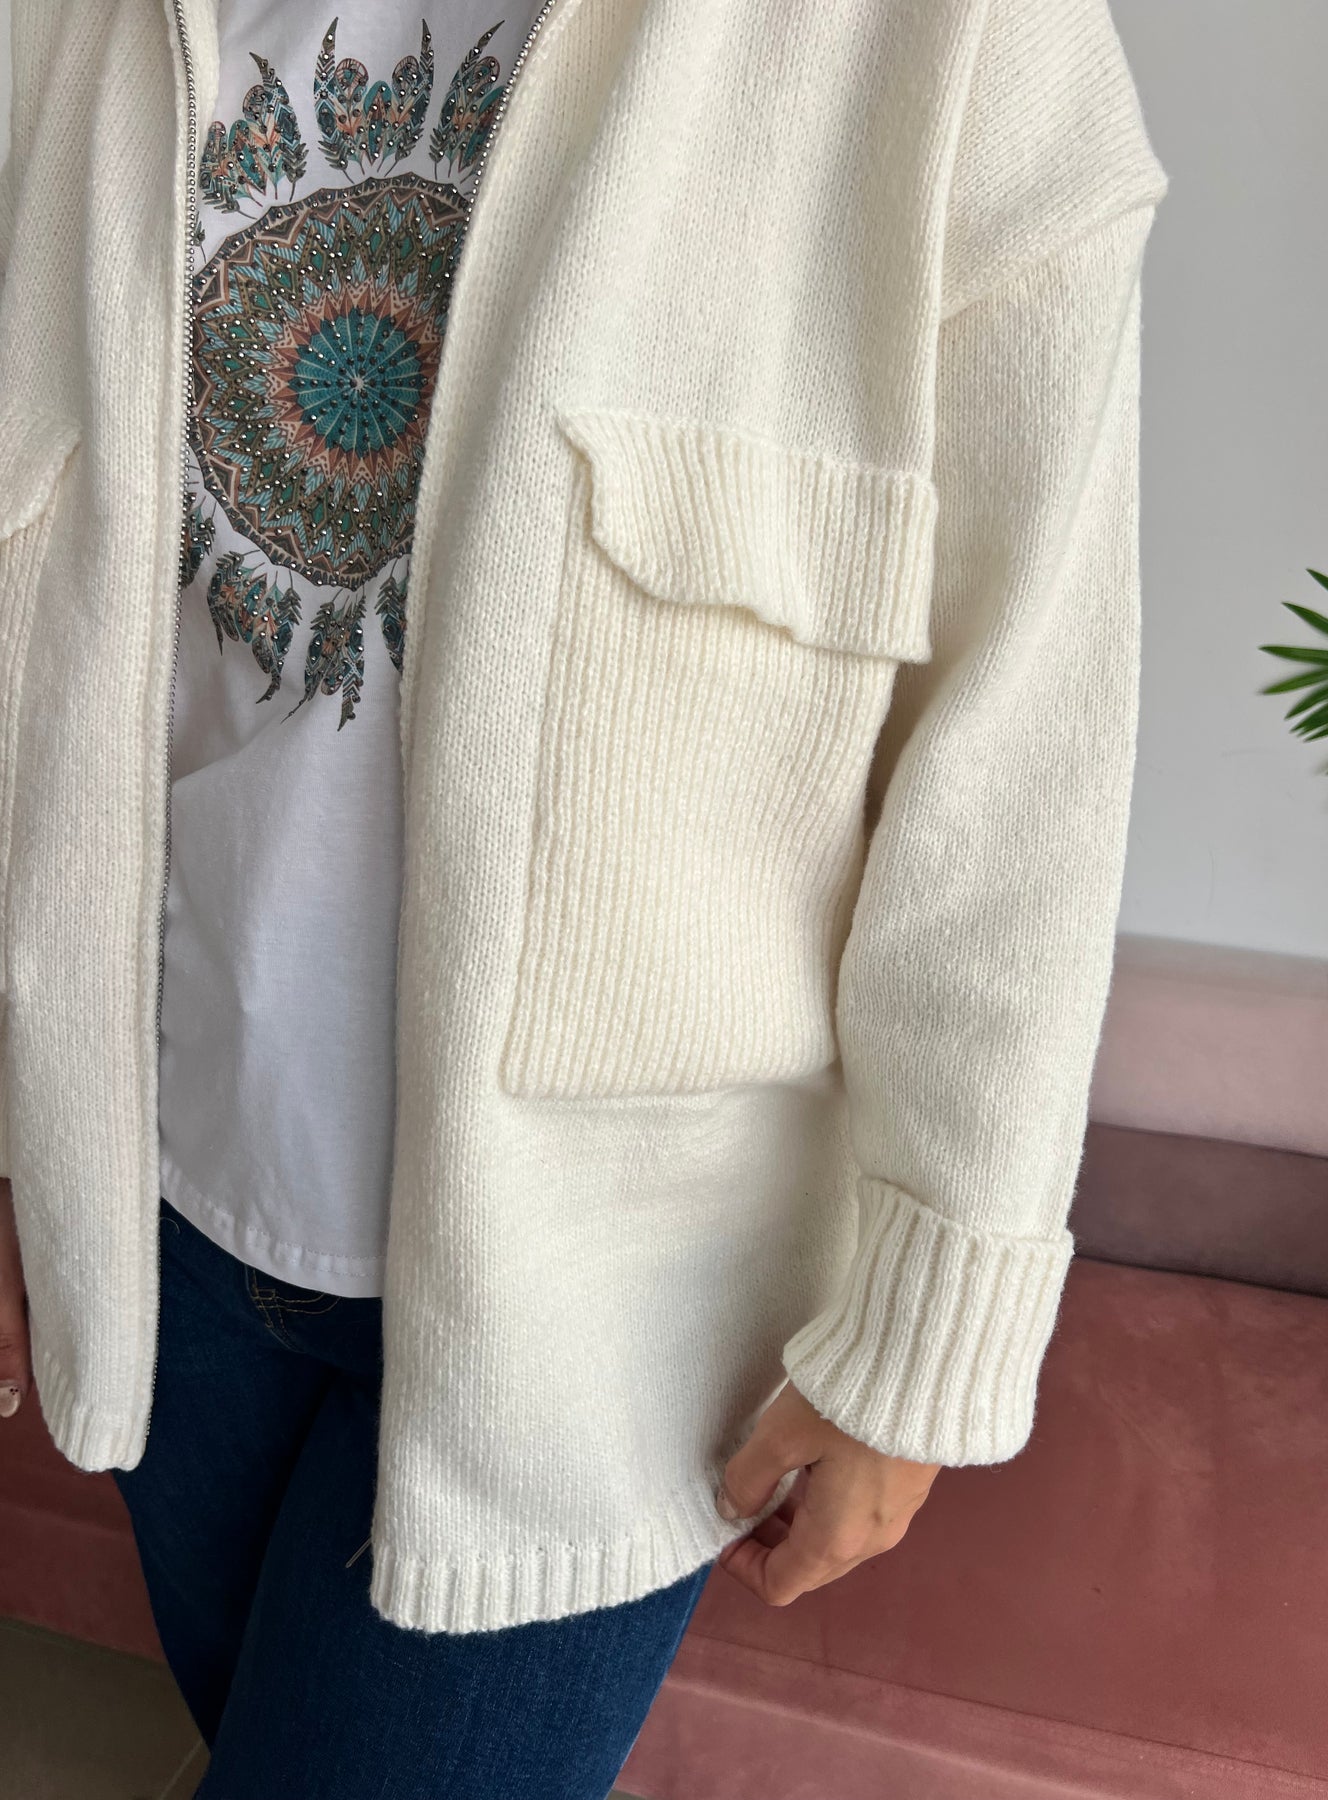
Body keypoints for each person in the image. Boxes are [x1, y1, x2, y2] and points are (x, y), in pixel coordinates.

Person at [0, 0, 1168, 1793]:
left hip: (604, 1310)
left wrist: (930, 1326)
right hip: (161, 1228)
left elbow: (1021, 748)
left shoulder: (950, 42)